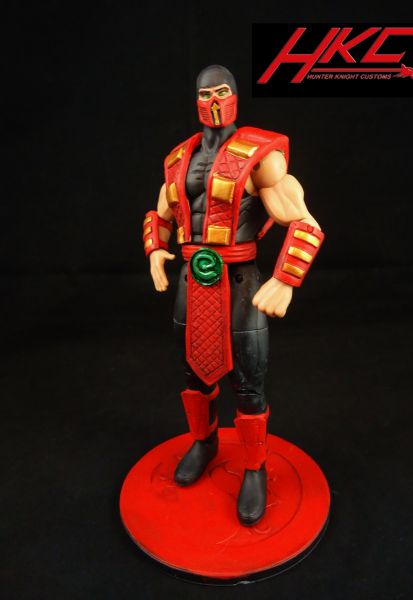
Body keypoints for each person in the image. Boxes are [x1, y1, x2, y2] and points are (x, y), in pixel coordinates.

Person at [143, 65, 324, 526]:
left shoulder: (261, 156)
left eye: (221, 91)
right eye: (205, 93)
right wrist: (155, 251)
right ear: (196, 99)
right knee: (194, 374)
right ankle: (203, 443)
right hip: (191, 279)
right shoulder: (179, 158)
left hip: (241, 279)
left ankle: (254, 467)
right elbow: (161, 211)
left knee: (249, 379)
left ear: (235, 96)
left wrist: (285, 279)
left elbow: (304, 222)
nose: (213, 101)